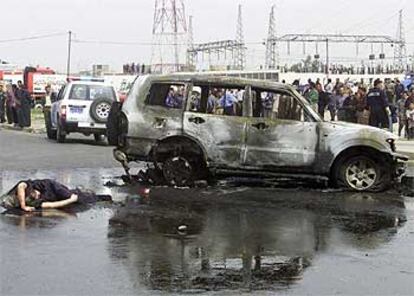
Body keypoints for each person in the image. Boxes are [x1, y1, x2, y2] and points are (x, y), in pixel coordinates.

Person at [0, 179, 112, 212]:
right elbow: (51, 205)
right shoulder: (33, 203)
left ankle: (97, 196)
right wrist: (71, 200)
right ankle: (90, 195)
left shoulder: (22, 188)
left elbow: (21, 186)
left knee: (69, 194)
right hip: (53, 196)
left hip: (50, 186)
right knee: (74, 197)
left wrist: (23, 205)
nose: (35, 196)